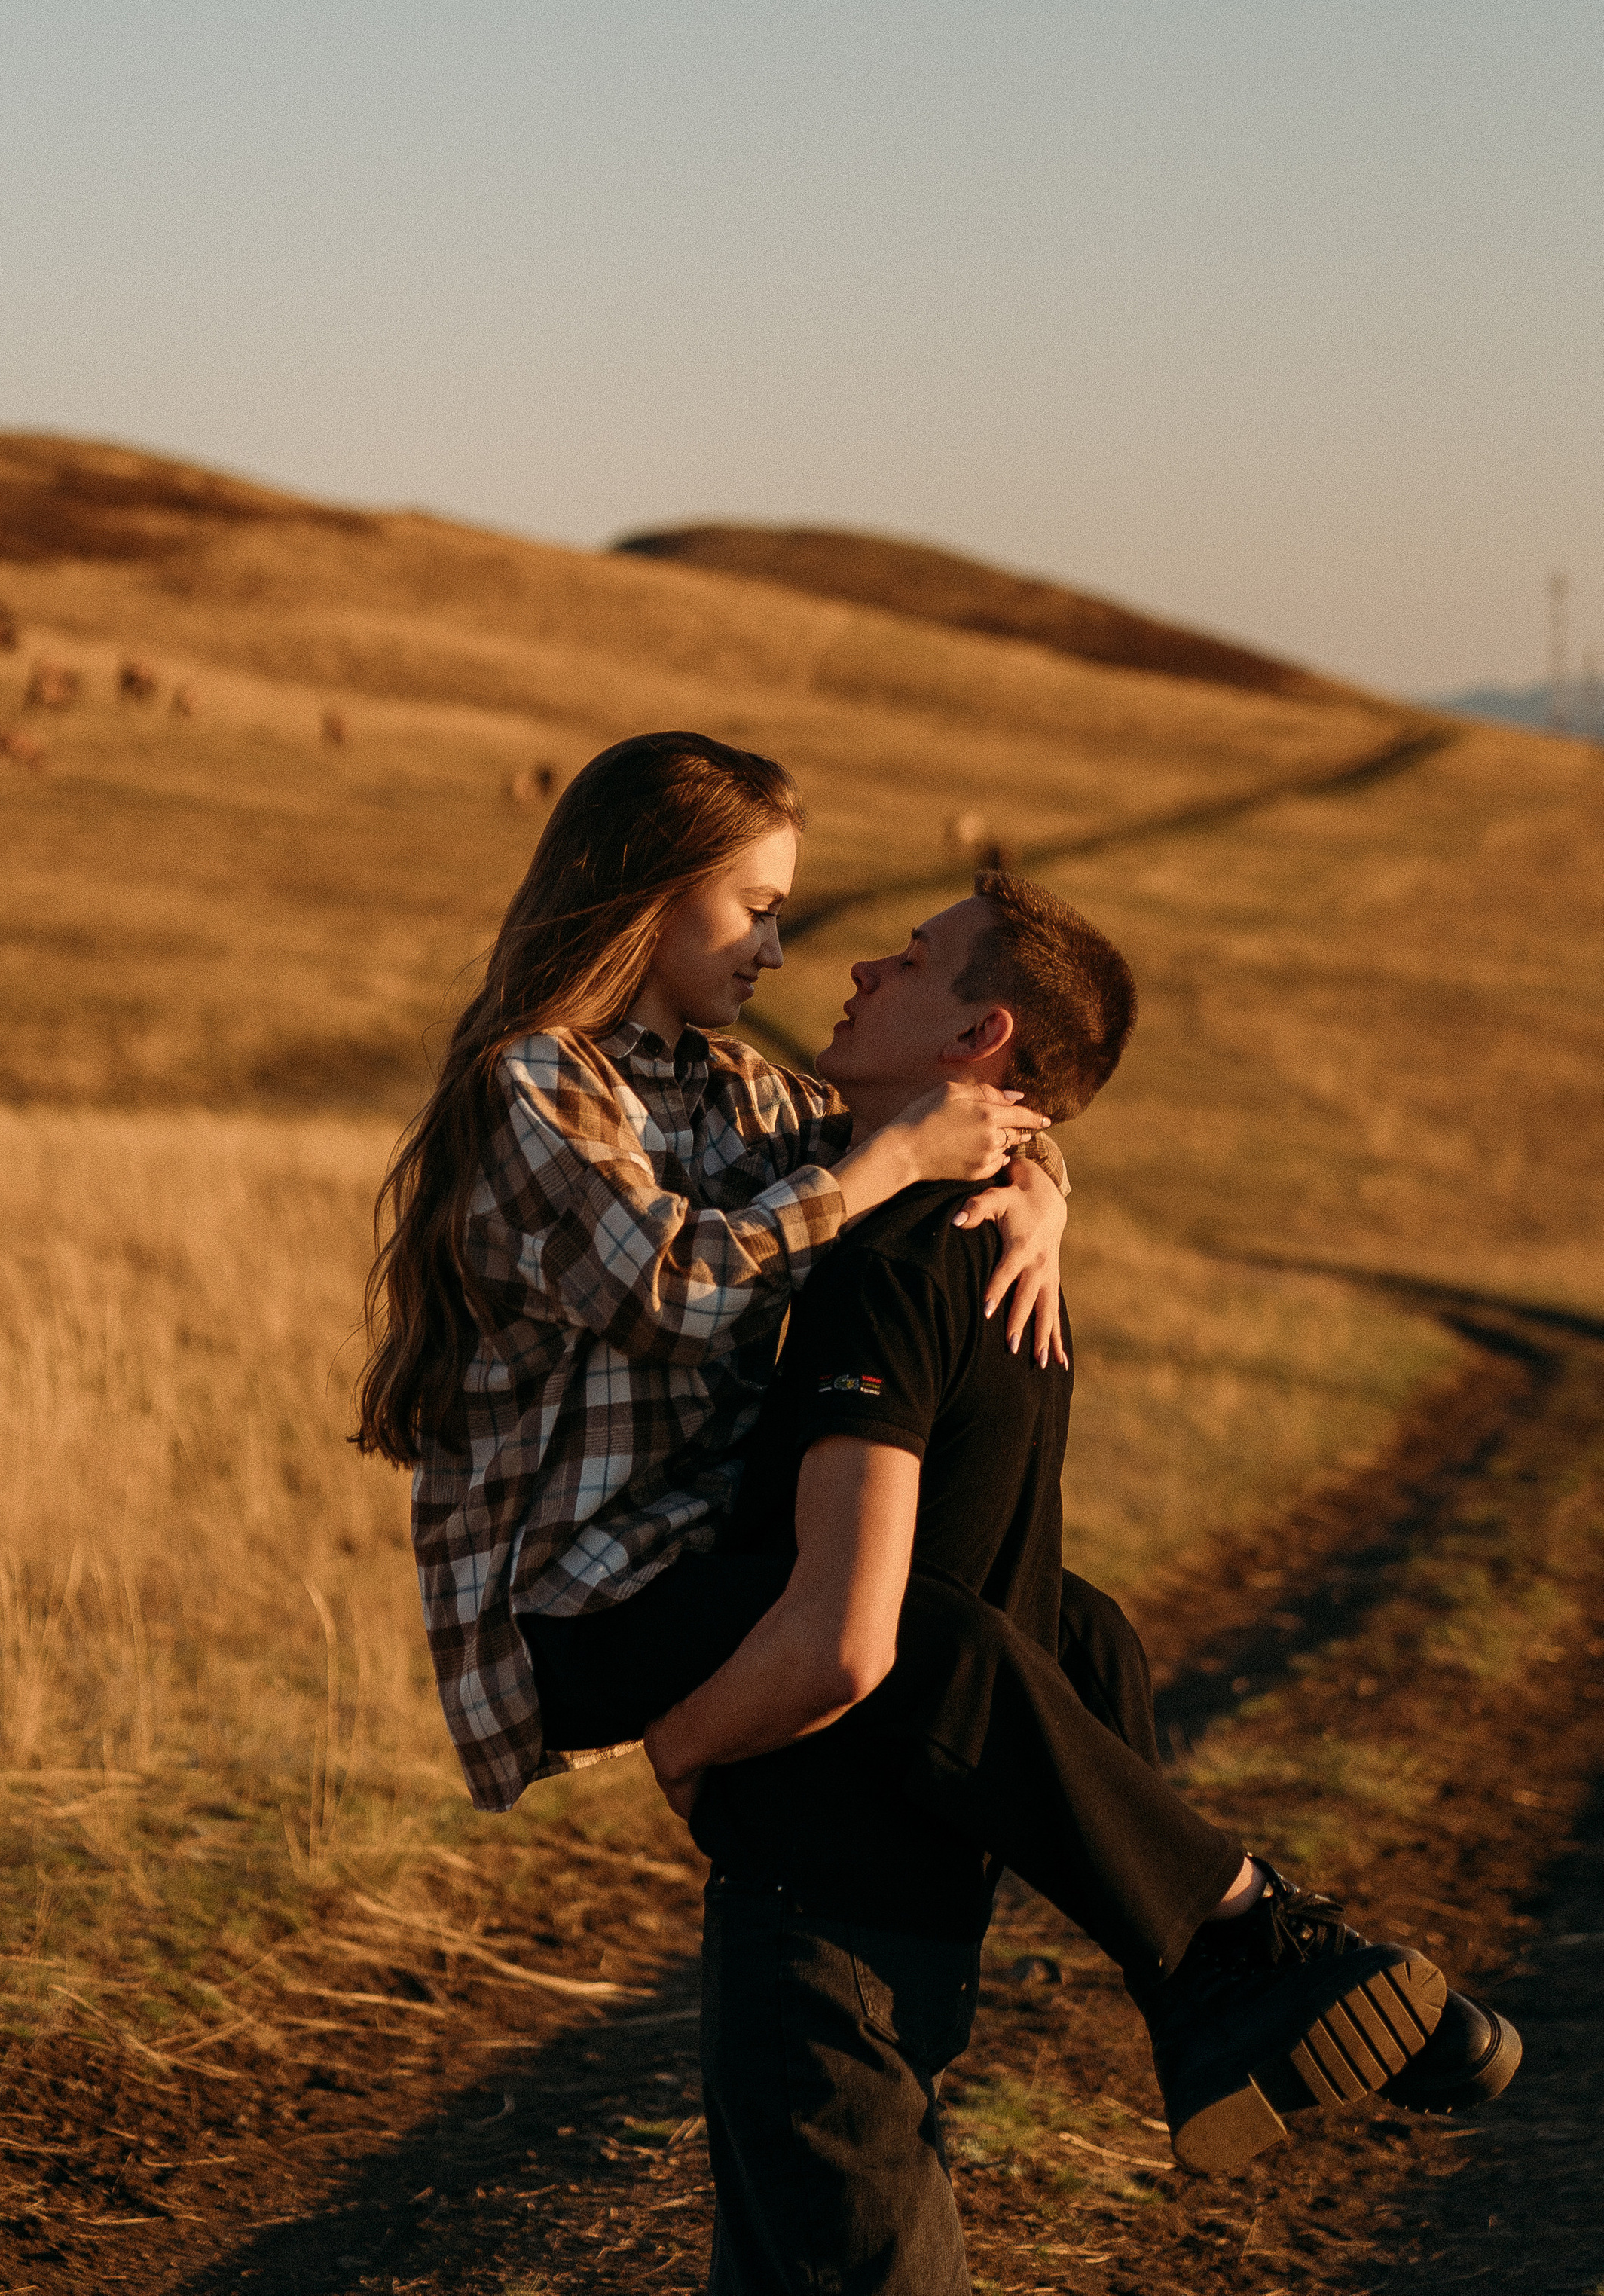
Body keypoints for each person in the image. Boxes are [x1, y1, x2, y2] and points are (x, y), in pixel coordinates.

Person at [643, 879, 1518, 2289]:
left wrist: (683, 1739)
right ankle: (1220, 1975)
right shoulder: (1005, 1260)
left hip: (821, 1896)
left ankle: (1242, 1950)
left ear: (977, 1036)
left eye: (912, 960)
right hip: (925, 1892)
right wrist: (1042, 1180)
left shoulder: (889, 1275)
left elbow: (855, 1639)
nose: (858, 965)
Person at [356, 731, 1074, 1812]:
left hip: (711, 1562)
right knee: (939, 1635)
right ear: (651, 894)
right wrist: (887, 1164)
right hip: (575, 1605)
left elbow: (930, 1118)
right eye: (757, 909)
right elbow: (674, 1293)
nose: (776, 952)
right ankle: (1223, 1926)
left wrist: (1042, 1184)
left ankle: (1182, 1927)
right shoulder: (541, 1081)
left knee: (1072, 1630)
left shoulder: (740, 1092)